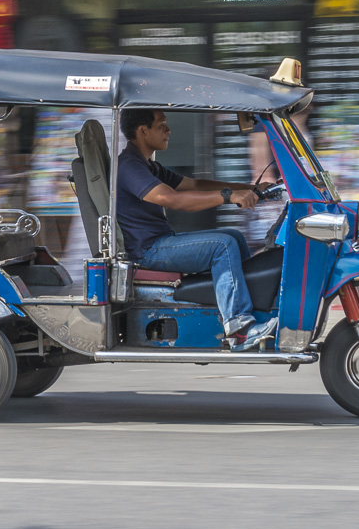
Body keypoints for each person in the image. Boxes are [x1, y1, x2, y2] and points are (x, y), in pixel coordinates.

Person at [116, 108, 277, 350]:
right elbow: (172, 199)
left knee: (233, 235)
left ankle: (253, 314)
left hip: (159, 242)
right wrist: (228, 196)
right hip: (148, 251)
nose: (168, 130)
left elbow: (194, 185)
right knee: (223, 245)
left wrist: (249, 188)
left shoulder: (149, 166)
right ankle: (239, 329)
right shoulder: (130, 166)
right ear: (143, 131)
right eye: (161, 124)